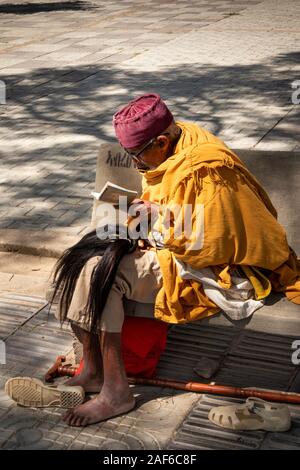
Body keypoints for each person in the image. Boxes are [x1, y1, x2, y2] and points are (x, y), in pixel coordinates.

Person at [56, 93, 299, 426]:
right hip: (173, 247)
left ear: (160, 141)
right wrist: (142, 218)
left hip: (216, 267)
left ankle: (116, 392)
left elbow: (216, 242)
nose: (136, 164)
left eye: (136, 156)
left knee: (101, 274)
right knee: (80, 264)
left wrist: (162, 219)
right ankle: (95, 371)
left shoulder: (209, 169)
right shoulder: (171, 146)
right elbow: (165, 202)